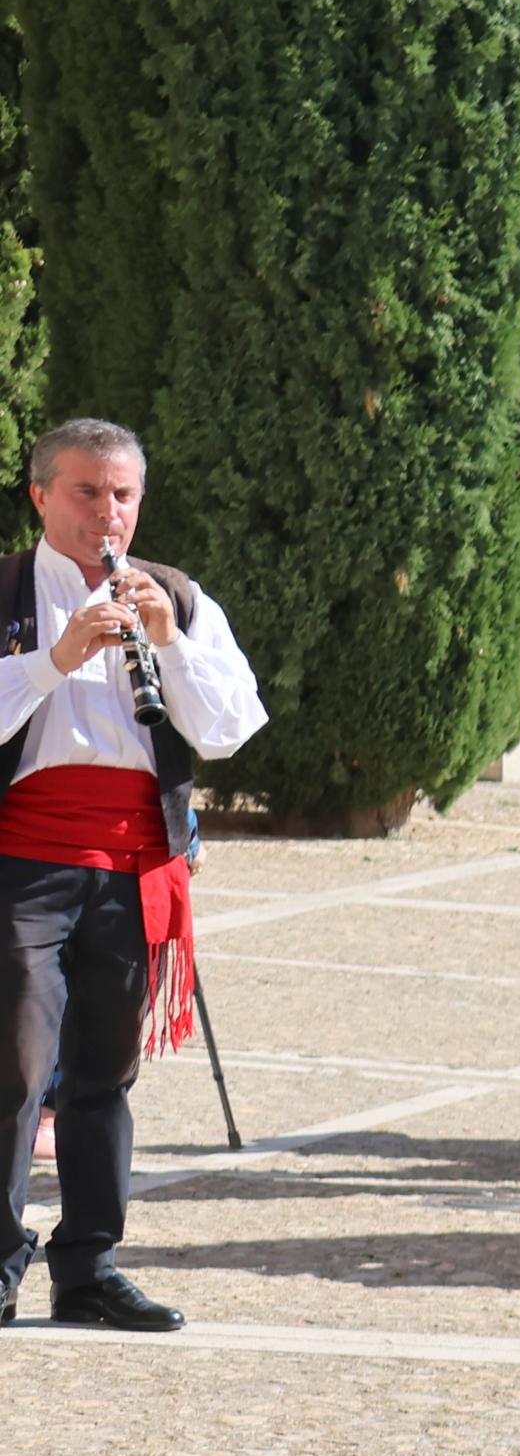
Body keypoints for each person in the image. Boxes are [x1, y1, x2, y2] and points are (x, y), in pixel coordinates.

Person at [0, 418, 264, 1333]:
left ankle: (88, 1267)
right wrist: (52, 661)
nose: (106, 512)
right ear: (40, 495)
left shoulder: (177, 597)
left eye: (122, 495)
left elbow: (230, 727)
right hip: (22, 860)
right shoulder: (5, 587)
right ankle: (0, 1263)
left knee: (104, 1075)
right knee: (18, 1062)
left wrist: (171, 644)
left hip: (133, 863)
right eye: (85, 491)